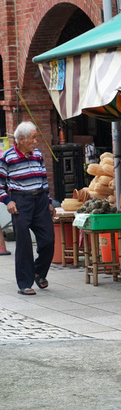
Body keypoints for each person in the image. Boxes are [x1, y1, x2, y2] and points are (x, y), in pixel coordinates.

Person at [0, 121, 55, 295]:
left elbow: (45, 179)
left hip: (40, 200)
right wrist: (8, 201)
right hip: (20, 202)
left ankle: (38, 271)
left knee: (49, 240)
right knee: (23, 244)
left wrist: (49, 201)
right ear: (21, 139)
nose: (36, 141)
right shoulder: (8, 157)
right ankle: (25, 283)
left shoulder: (37, 154)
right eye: (33, 138)